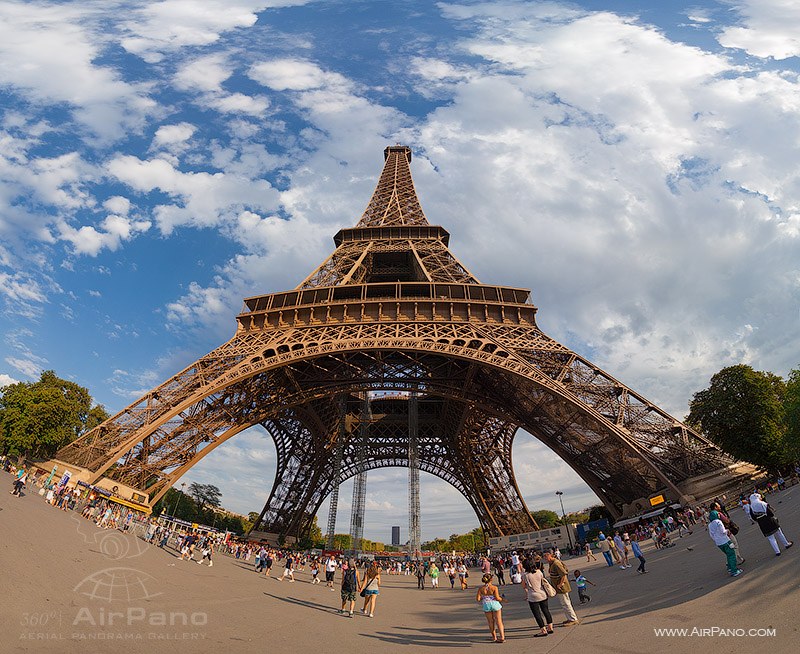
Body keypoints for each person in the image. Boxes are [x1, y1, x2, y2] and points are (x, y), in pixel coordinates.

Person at [543, 550, 578, 625]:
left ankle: (573, 619)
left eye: (546, 556)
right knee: (564, 603)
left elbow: (564, 574)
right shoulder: (551, 563)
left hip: (561, 587)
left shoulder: (556, 563)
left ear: (550, 555)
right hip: (558, 587)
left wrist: (560, 584)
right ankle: (569, 618)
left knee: (566, 603)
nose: (545, 558)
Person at [521, 560, 553, 637]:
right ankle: (550, 627)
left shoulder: (525, 575)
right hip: (542, 593)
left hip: (533, 596)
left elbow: (524, 586)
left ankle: (543, 630)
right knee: (546, 610)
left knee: (537, 613)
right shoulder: (539, 572)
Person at [708, 510, 742, 577]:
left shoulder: (710, 525)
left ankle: (729, 567)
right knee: (731, 555)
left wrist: (716, 539)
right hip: (725, 540)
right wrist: (727, 530)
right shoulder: (718, 522)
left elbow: (711, 535)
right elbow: (723, 531)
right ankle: (734, 570)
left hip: (719, 543)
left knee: (728, 555)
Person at [476, 573, 505, 643]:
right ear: (491, 579)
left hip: (486, 604)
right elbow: (497, 598)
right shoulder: (494, 588)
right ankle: (502, 637)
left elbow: (478, 599)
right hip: (495, 604)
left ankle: (494, 637)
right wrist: (503, 599)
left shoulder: (481, 589)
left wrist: (484, 597)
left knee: (490, 621)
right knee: (499, 621)